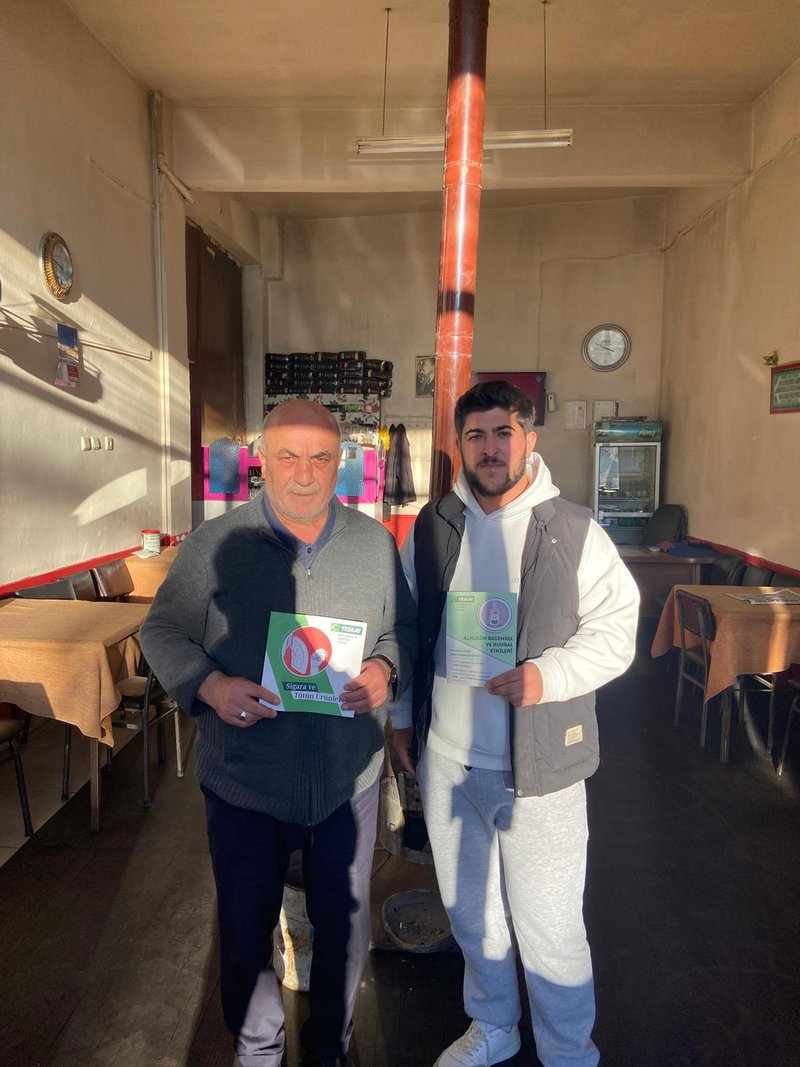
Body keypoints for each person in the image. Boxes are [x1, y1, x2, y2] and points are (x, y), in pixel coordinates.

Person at [141, 399, 416, 1067]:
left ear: (340, 462)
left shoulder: (373, 543)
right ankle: (258, 1050)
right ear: (261, 459)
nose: (304, 473)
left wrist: (386, 667)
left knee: (345, 931)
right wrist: (210, 685)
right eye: (287, 456)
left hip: (347, 780)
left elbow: (402, 629)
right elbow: (161, 630)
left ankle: (329, 1050)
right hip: (245, 782)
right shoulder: (216, 544)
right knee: (243, 935)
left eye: (320, 457)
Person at [391, 380, 639, 1067]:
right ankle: (494, 1024)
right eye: (476, 435)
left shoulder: (575, 530)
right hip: (449, 760)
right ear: (459, 445)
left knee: (551, 925)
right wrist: (403, 717)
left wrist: (545, 676)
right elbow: (407, 628)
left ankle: (569, 1052)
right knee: (472, 914)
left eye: (504, 433)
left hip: (541, 769)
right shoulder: (433, 526)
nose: (490, 448)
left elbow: (616, 632)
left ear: (529, 439)